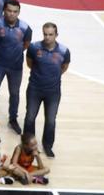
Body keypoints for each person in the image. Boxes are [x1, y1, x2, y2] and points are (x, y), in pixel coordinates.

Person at [0, 0, 32, 134]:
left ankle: (13, 119)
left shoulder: (25, 28)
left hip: (15, 67)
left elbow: (26, 44)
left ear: (18, 12)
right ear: (4, 10)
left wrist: (14, 53)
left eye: (15, 12)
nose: (12, 14)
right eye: (9, 11)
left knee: (15, 94)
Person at [24, 23, 68, 158]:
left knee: (50, 120)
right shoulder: (34, 47)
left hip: (53, 92)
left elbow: (64, 67)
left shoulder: (64, 51)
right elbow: (29, 63)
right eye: (45, 34)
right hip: (34, 89)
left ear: (56, 35)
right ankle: (27, 145)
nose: (47, 37)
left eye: (51, 34)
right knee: (30, 117)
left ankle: (47, 146)